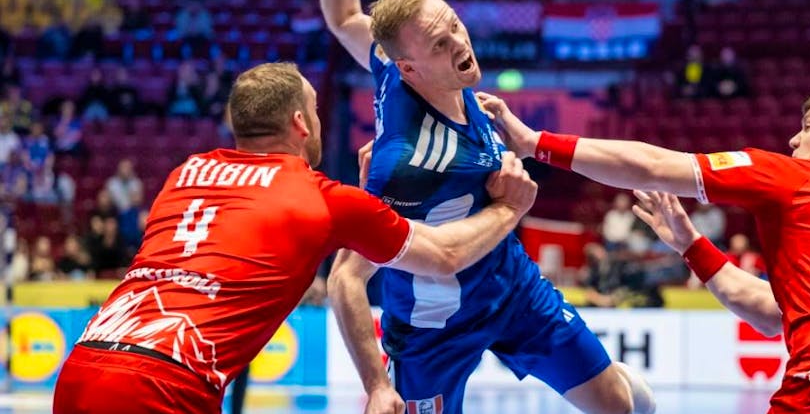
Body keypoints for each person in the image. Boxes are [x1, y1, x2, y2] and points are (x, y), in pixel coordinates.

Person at [296, 0, 654, 414]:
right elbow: (347, 277)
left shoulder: (401, 70)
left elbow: (346, 17)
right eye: (440, 45)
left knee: (620, 405)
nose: (460, 44)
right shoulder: (405, 165)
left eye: (455, 27)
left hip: (512, 289)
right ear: (410, 67)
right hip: (431, 329)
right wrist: (376, 385)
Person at [52, 62, 539, 414]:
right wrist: (509, 208)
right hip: (164, 383)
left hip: (82, 366)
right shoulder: (321, 198)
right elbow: (445, 255)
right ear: (301, 123)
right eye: (316, 110)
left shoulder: (185, 174)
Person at [479, 84, 810, 414]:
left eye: (808, 126)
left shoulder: (803, 176)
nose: (794, 139)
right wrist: (691, 246)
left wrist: (536, 143)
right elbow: (773, 313)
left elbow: (653, 165)